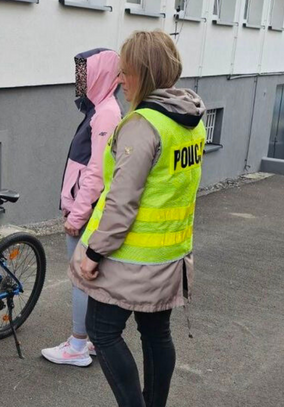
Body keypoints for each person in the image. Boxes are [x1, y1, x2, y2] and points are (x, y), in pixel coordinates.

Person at [69, 30, 206, 407]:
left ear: (143, 73)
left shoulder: (142, 125)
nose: (120, 80)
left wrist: (93, 254)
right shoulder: (190, 118)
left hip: (130, 258)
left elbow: (121, 202)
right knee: (156, 333)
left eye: (126, 72)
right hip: (171, 254)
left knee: (102, 330)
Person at [41, 49, 121, 367]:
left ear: (100, 75)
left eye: (84, 74)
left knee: (81, 277)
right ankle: (92, 341)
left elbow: (96, 171)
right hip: (85, 208)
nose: (79, 81)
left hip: (86, 213)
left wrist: (77, 214)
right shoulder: (100, 109)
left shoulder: (105, 113)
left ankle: (78, 344)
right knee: (91, 277)